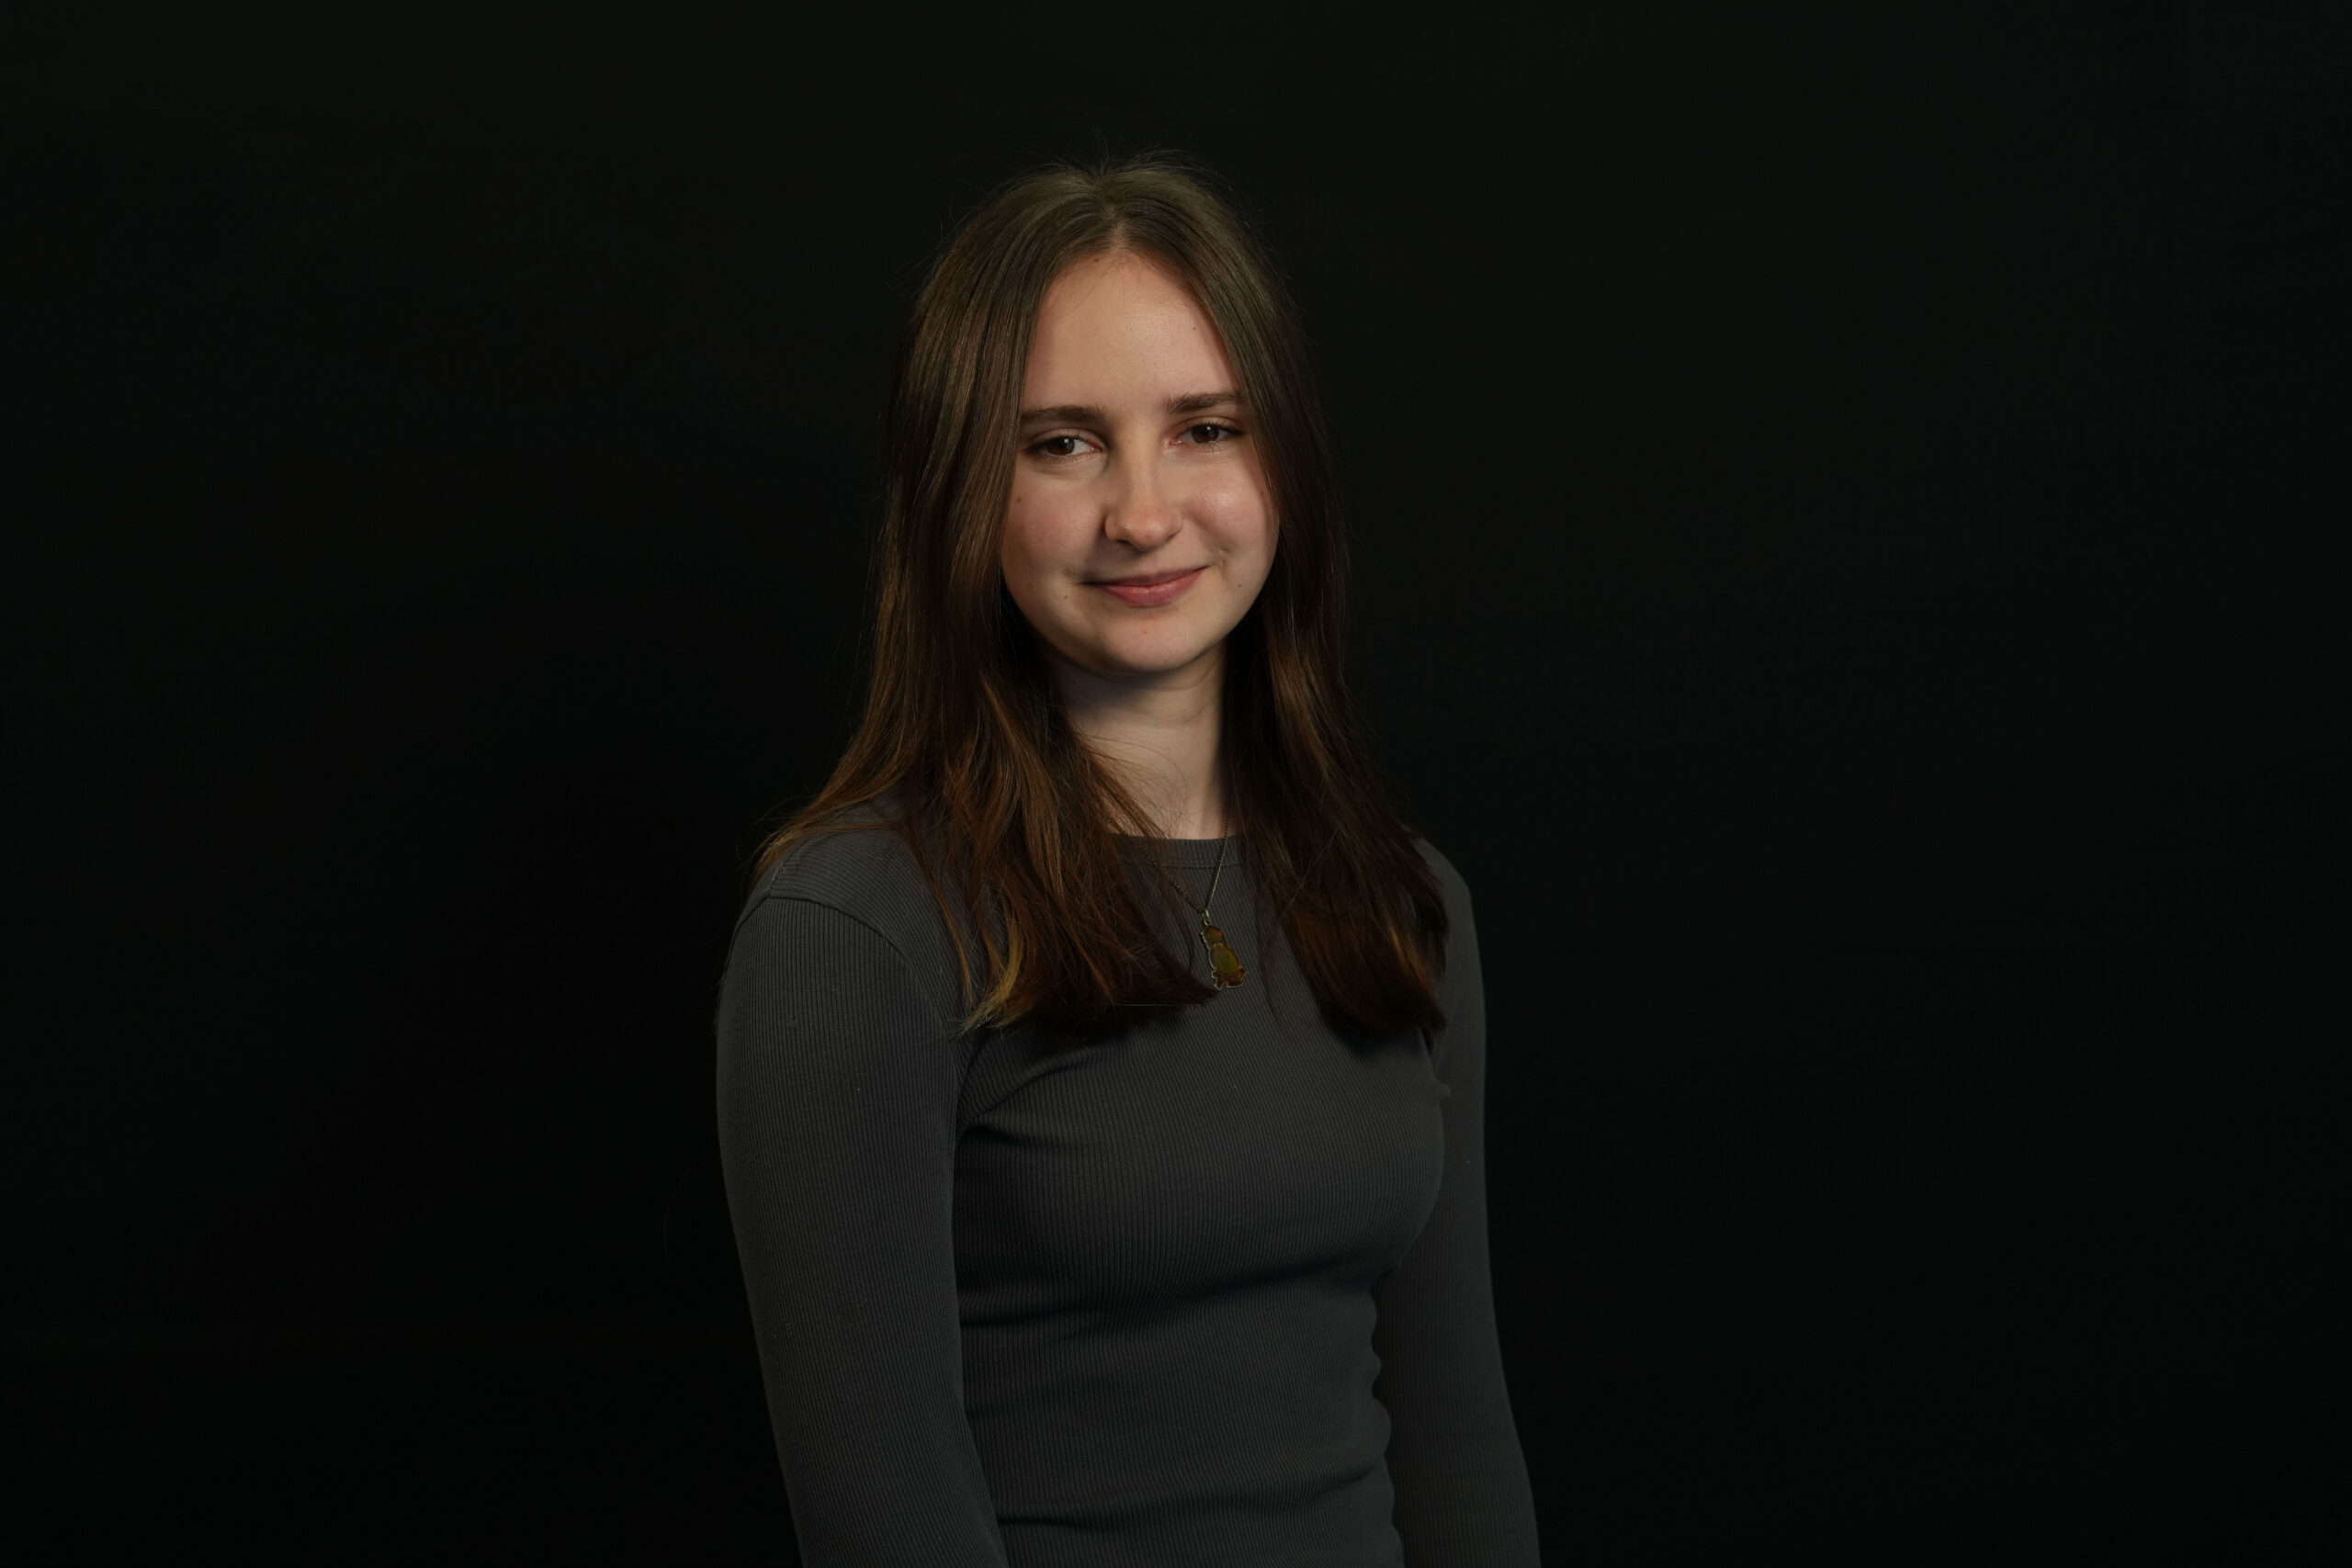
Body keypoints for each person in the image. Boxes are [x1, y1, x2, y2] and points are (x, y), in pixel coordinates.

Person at [714, 151, 1541, 1567]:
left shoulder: (1406, 904)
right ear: (961, 489)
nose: (1144, 514)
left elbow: (1459, 1441)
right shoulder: (857, 927)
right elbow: (886, 1519)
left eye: (1206, 428)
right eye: (1063, 443)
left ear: (1281, 457)